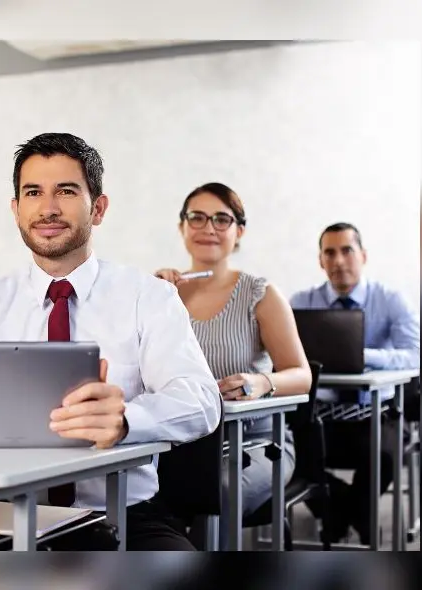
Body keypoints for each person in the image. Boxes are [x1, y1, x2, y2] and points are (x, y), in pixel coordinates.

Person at [0, 132, 221, 551]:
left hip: (122, 516)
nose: (48, 208)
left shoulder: (149, 297)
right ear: (17, 209)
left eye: (67, 191)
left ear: (99, 208)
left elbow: (201, 398)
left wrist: (127, 420)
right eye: (33, 192)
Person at [154, 182, 311, 540]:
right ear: (182, 227)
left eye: (222, 219)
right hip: (181, 443)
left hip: (253, 443)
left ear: (238, 232)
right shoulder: (162, 295)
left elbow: (302, 375)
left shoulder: (260, 293)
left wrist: (262, 382)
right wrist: (149, 298)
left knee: (212, 490)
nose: (208, 228)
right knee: (129, 492)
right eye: (197, 217)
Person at [289, 222, 420, 543]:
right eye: (329, 252)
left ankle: (338, 519)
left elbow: (416, 355)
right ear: (320, 261)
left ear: (363, 255)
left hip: (379, 414)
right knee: (291, 457)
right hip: (323, 416)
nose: (338, 260)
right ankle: (355, 514)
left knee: (385, 456)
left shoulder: (389, 300)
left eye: (347, 250)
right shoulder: (301, 303)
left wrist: (363, 355)